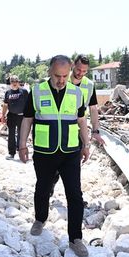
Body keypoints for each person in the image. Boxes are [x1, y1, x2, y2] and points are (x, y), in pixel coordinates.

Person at [18, 55, 91, 257]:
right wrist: (22, 145)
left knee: (75, 194)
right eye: (57, 76)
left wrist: (86, 144)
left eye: (65, 76)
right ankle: (40, 219)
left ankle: (75, 238)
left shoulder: (77, 93)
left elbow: (81, 120)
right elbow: (27, 120)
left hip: (70, 152)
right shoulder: (37, 91)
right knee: (42, 188)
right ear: (50, 71)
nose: (61, 80)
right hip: (44, 152)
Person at [49, 54, 105, 197]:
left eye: (84, 71)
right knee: (55, 164)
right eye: (79, 69)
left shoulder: (89, 85)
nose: (81, 73)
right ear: (73, 66)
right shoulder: (61, 79)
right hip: (59, 128)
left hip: (78, 129)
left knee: (74, 166)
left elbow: (93, 109)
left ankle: (75, 198)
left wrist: (96, 130)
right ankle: (50, 185)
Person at [0, 75, 29, 160]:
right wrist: (3, 116)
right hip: (11, 116)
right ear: (10, 83)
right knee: (11, 135)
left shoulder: (24, 92)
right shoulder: (8, 93)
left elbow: (29, 104)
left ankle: (20, 152)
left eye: (16, 81)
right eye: (12, 81)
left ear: (18, 82)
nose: (14, 83)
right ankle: (11, 153)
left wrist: (29, 116)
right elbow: (5, 105)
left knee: (21, 135)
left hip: (22, 116)